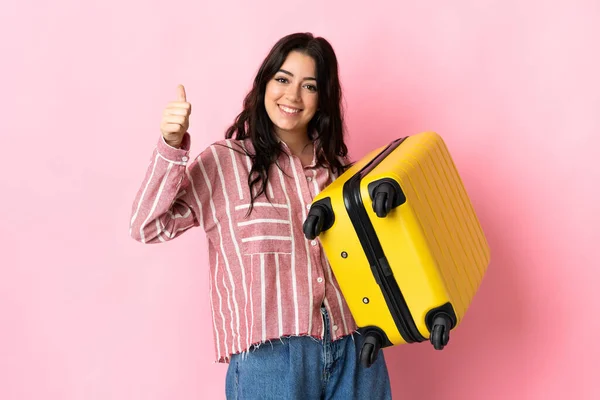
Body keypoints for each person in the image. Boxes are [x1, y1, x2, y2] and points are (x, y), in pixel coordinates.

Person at [129, 32, 392, 399]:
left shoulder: (341, 174)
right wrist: (171, 145)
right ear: (265, 83)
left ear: (323, 98)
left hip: (356, 350)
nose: (292, 96)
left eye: (309, 86)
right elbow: (148, 225)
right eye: (283, 79)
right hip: (270, 360)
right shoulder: (225, 162)